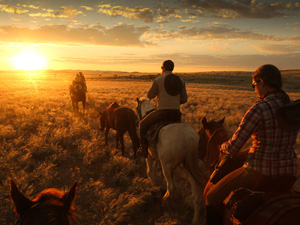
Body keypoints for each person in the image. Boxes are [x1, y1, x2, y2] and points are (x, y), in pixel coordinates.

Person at [203, 64, 298, 225]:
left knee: (210, 197)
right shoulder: (291, 105)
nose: (254, 89)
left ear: (261, 82)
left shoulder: (259, 108)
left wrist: (222, 147)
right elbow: (273, 143)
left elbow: (233, 147)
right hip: (289, 173)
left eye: (254, 85)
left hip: (259, 171)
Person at [138, 60, 188, 158]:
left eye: (161, 67)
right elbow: (184, 99)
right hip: (176, 113)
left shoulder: (158, 80)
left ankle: (143, 150)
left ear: (164, 68)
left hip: (162, 112)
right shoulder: (181, 81)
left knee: (142, 124)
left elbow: (150, 95)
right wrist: (175, 102)